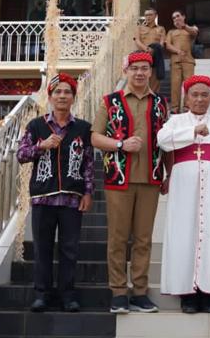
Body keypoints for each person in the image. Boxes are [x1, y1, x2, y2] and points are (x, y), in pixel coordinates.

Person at [91, 52, 170, 314]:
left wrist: (167, 173)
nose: (139, 73)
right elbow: (95, 137)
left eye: (144, 68)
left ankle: (139, 292)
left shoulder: (161, 103)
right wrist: (120, 144)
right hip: (119, 178)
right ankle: (118, 292)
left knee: (144, 239)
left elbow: (167, 143)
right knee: (118, 237)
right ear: (126, 71)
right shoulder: (110, 102)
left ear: (151, 72)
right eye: (134, 68)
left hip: (150, 178)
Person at [16, 73, 94, 313]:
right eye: (57, 92)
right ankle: (42, 294)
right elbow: (21, 155)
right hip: (43, 197)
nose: (62, 96)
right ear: (49, 97)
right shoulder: (36, 126)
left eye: (67, 92)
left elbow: (88, 163)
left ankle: (68, 295)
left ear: (73, 97)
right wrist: (41, 145)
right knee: (43, 248)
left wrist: (88, 192)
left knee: (70, 249)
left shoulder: (82, 128)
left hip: (72, 198)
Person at [156, 75, 210, 314]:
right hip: (183, 186)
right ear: (186, 97)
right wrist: (193, 130)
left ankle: (209, 293)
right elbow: (162, 141)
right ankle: (187, 292)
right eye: (195, 94)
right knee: (183, 233)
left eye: (204, 95)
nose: (199, 99)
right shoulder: (176, 121)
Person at [165, 10, 199, 113]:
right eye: (174, 18)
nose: (176, 19)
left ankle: (187, 107)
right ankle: (175, 108)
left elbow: (194, 33)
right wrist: (177, 51)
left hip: (188, 61)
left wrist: (184, 26)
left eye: (178, 16)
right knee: (175, 85)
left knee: (188, 85)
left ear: (183, 17)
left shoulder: (191, 29)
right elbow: (168, 45)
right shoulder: (171, 32)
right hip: (175, 61)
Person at [135, 8, 167, 92]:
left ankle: (153, 101)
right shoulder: (140, 28)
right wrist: (146, 48)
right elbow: (137, 40)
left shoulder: (161, 29)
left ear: (156, 16)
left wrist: (155, 49)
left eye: (150, 15)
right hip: (143, 57)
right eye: (146, 15)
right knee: (142, 80)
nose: (148, 17)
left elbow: (162, 42)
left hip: (156, 58)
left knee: (155, 83)